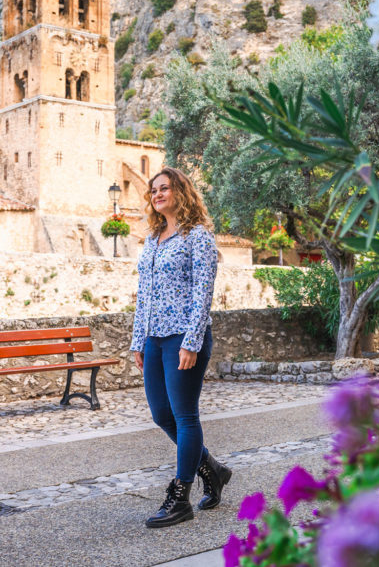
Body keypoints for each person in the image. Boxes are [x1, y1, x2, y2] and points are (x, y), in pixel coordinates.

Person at [130, 166, 232, 528]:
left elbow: (203, 293)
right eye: (153, 190)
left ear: (181, 192)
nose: (157, 194)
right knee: (161, 414)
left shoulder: (198, 236)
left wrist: (192, 341)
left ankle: (181, 496)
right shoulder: (153, 238)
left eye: (165, 188)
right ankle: (213, 469)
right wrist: (138, 340)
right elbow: (144, 295)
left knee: (185, 415)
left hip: (183, 339)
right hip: (154, 340)